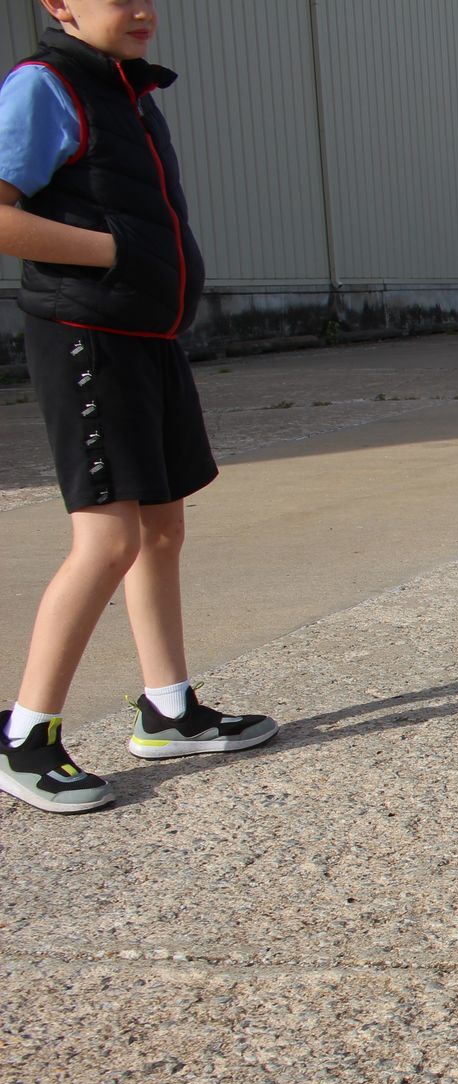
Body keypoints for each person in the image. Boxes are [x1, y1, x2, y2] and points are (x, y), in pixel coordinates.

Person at [0, 0, 278, 815]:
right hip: (87, 335)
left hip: (147, 334)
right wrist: (114, 250)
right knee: (110, 535)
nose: (143, 10)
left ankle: (169, 708)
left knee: (162, 526)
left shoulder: (128, 94)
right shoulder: (46, 85)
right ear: (59, 4)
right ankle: (26, 734)